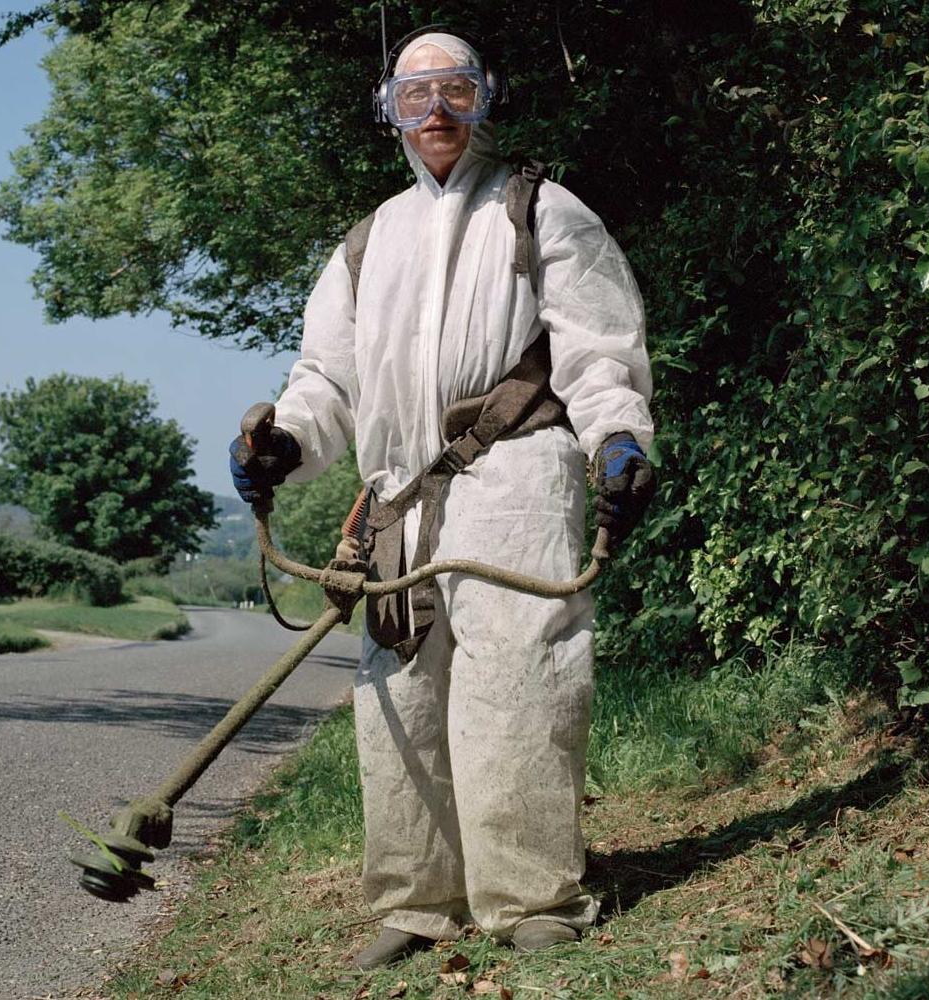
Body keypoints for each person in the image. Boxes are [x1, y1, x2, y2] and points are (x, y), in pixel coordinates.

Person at [230, 28, 654, 968]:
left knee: (520, 680)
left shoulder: (542, 211)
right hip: (397, 497)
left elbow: (599, 350)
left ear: (485, 100)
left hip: (518, 475)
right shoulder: (365, 242)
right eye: (415, 95)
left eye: (455, 90)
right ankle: (417, 901)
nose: (436, 113)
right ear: (388, 109)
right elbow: (327, 382)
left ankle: (531, 897)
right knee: (401, 693)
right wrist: (283, 445)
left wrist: (619, 436)